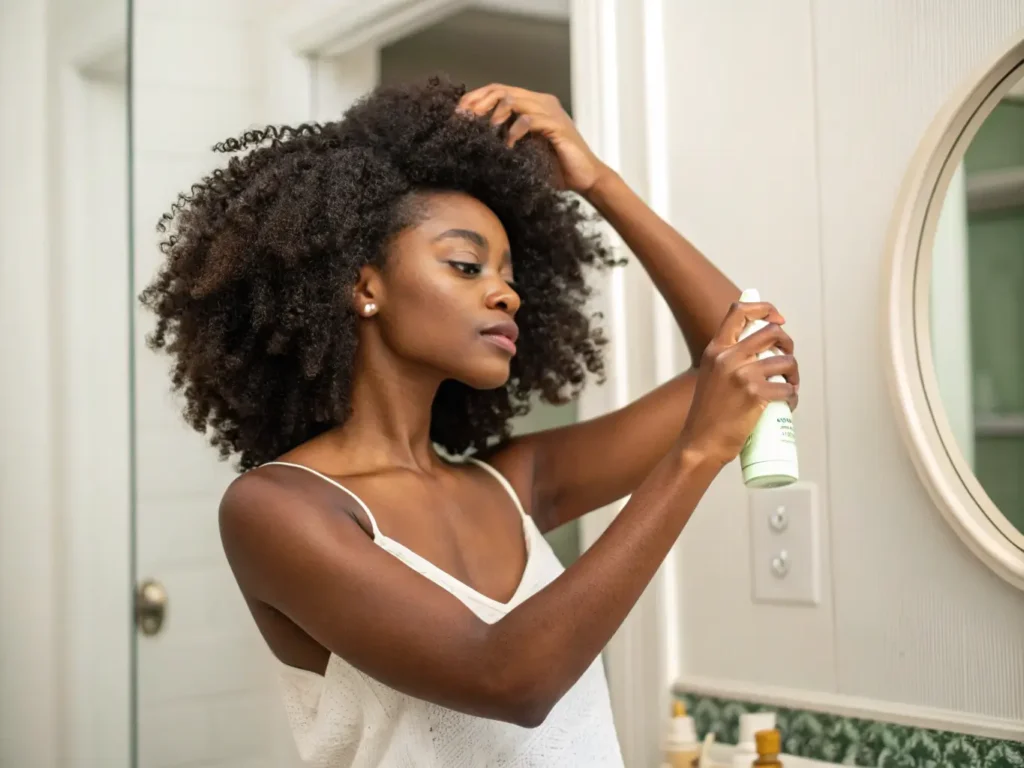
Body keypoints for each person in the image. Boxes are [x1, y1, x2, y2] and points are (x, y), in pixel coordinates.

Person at [140, 77, 798, 767]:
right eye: (465, 264)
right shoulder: (276, 510)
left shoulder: (515, 484)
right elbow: (510, 678)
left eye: (511, 274)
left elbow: (754, 359)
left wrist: (597, 181)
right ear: (365, 286)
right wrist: (695, 456)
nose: (505, 292)